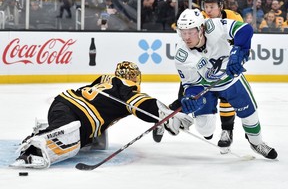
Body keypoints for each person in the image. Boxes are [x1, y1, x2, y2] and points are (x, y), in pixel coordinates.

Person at [10, 61, 193, 169]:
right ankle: (31, 151)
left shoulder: (107, 79)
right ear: (135, 78)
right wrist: (163, 114)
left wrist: (158, 117)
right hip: (75, 114)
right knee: (70, 143)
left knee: (83, 137)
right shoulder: (127, 90)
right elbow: (141, 104)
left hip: (63, 104)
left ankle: (44, 131)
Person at [175, 8, 277, 160]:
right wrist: (191, 98)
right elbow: (191, 84)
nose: (187, 37)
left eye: (191, 32)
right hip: (206, 88)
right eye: (183, 33)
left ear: (201, 28)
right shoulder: (181, 56)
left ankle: (256, 143)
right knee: (204, 129)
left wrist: (237, 51)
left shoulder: (214, 26)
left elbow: (245, 29)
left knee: (250, 116)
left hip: (232, 81)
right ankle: (207, 122)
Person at [153, 0, 243, 154]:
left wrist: (237, 55)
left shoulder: (233, 17)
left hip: (220, 66)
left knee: (227, 96)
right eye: (205, 6)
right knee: (187, 98)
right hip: (199, 67)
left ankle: (226, 132)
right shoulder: (199, 17)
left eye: (211, 6)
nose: (207, 10)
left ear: (221, 5)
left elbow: (238, 40)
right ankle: (167, 117)